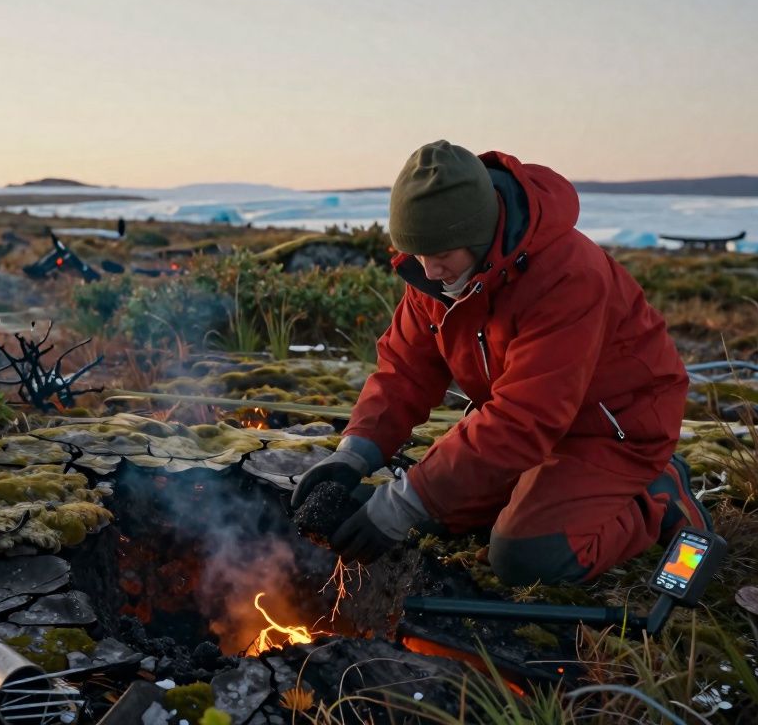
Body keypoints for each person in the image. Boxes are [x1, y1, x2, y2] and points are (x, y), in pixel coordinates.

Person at [290, 141, 710, 584]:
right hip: (529, 433)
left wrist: (404, 502)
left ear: (480, 235)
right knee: (434, 514)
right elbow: (404, 372)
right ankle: (536, 488)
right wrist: (354, 455)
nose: (428, 271)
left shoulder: (568, 275)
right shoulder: (440, 272)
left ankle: (656, 497)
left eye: (441, 255)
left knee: (525, 557)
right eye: (418, 253)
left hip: (614, 430)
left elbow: (525, 418)